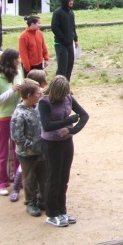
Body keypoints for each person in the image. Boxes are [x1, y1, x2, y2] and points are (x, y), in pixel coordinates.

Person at [39, 75, 89, 227]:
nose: (64, 97)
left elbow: (84, 115)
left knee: (64, 178)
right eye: (62, 94)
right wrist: (68, 121)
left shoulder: (68, 98)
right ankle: (51, 213)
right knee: (53, 179)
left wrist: (72, 130)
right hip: (50, 144)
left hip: (66, 141)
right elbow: (47, 125)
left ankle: (62, 210)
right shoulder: (44, 102)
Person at [0, 48, 24, 195]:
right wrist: (12, 91)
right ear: (11, 60)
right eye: (18, 58)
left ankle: (18, 179)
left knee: (18, 150)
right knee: (2, 152)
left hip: (17, 116)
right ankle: (0, 183)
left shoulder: (18, 73)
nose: (20, 60)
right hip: (3, 118)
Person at [10, 79, 46, 217]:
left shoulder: (36, 108)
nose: (40, 95)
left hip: (40, 152)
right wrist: (32, 146)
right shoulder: (19, 114)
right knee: (30, 179)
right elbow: (17, 137)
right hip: (27, 154)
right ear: (29, 96)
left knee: (43, 177)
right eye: (38, 94)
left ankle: (42, 200)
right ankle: (31, 203)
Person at [51, 0, 78, 81]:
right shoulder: (57, 12)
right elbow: (54, 27)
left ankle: (66, 86)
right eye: (69, 0)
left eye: (72, 0)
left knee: (69, 66)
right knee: (62, 67)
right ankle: (58, 86)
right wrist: (62, 38)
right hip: (60, 43)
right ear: (65, 1)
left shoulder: (71, 13)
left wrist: (75, 39)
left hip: (70, 43)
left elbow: (73, 27)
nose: (71, 2)